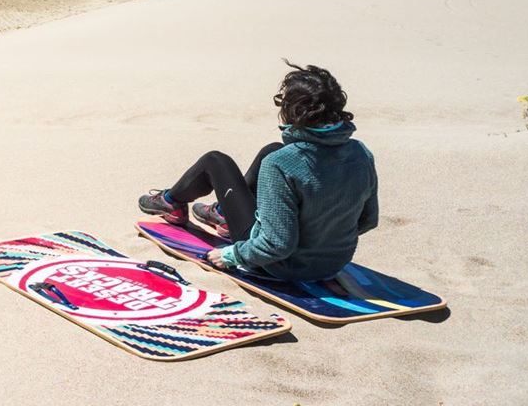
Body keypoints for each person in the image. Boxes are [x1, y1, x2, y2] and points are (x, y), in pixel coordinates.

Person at [138, 61, 378, 282]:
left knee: (216, 161)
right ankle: (223, 213)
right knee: (272, 149)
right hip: (334, 264)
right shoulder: (361, 153)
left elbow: (277, 245)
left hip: (280, 265)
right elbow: (368, 220)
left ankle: (171, 202)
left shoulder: (281, 165)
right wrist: (323, 235)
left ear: (293, 111)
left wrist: (231, 255)